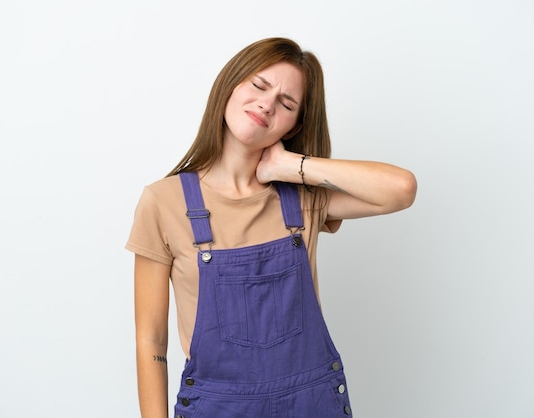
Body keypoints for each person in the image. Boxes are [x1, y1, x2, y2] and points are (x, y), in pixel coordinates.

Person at [126, 37, 417, 418]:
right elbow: (151, 339)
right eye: (259, 86)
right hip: (216, 408)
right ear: (229, 85)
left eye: (287, 103)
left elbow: (401, 190)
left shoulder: (304, 198)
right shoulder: (163, 202)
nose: (267, 103)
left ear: (295, 124)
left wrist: (291, 167)